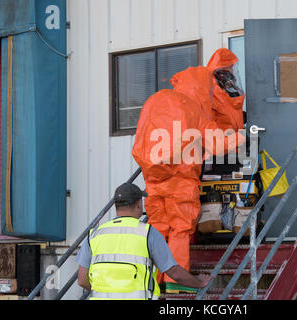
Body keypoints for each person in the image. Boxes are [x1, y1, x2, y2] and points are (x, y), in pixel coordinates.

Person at [132, 62, 245, 294]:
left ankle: (154, 277)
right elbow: (218, 143)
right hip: (181, 178)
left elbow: (141, 136)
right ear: (203, 89)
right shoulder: (194, 109)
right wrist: (242, 137)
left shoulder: (156, 100)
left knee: (158, 227)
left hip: (153, 177)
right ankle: (177, 281)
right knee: (180, 229)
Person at [75, 182, 214, 300]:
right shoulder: (148, 233)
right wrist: (199, 283)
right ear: (138, 205)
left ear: (116, 206)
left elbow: (82, 279)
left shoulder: (94, 235)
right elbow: (174, 272)